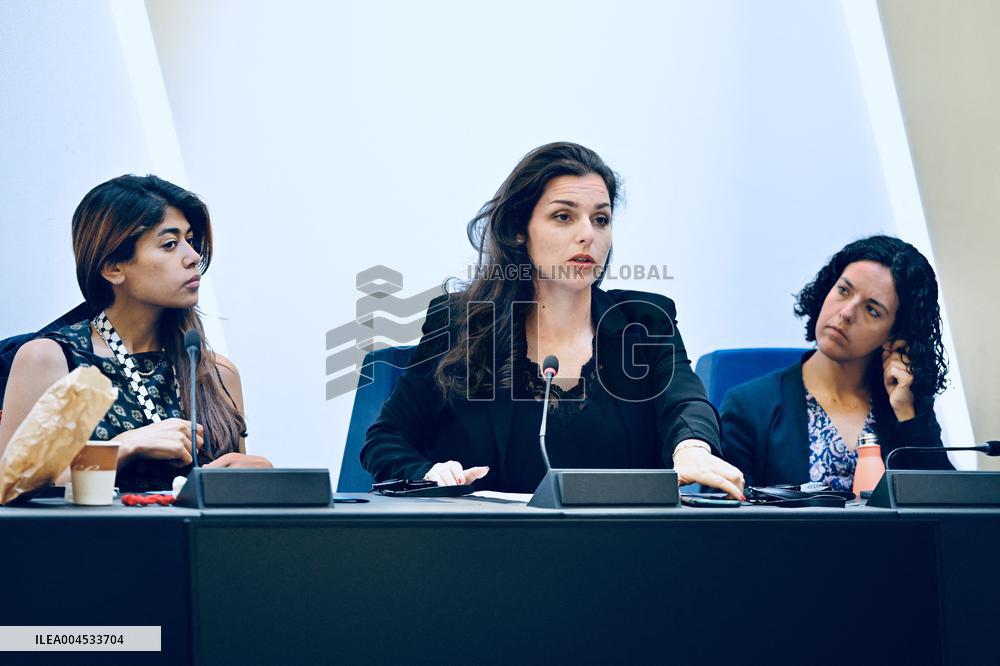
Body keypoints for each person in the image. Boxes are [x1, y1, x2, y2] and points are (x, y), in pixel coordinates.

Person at [362, 142, 745, 498]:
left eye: (601, 219)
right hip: (485, 540)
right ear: (519, 230)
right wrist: (430, 474)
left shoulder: (643, 323)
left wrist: (692, 448)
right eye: (564, 216)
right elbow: (387, 439)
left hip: (619, 541)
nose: (587, 235)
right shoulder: (461, 325)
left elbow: (684, 402)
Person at [0, 175, 271, 492]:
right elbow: (10, 488)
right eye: (169, 244)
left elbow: (231, 507)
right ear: (113, 267)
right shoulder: (52, 359)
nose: (193, 257)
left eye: (191, 241)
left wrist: (257, 479)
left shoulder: (217, 372)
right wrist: (122, 447)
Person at [720, 235, 951, 489]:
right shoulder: (749, 406)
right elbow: (725, 509)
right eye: (843, 290)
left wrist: (906, 414)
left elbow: (944, 500)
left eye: (872, 310)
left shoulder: (906, 405)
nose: (846, 313)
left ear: (896, 334)